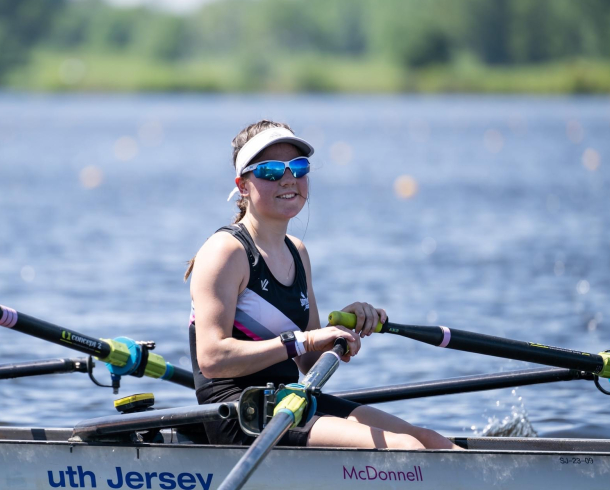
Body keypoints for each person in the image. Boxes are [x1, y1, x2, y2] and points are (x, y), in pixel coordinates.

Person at [186, 120, 459, 450]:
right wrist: (304, 340)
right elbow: (212, 358)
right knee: (405, 448)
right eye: (271, 170)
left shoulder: (297, 252)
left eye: (299, 167)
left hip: (288, 402)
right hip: (240, 415)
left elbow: (309, 362)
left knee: (428, 440)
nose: (289, 178)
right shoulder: (225, 252)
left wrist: (342, 328)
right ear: (243, 186)